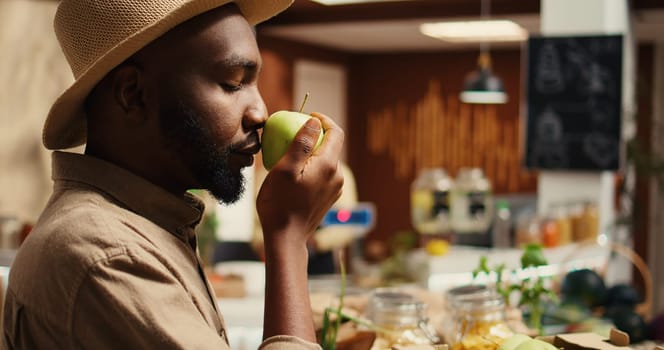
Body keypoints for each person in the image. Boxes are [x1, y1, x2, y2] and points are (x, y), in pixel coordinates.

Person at [2, 0, 344, 349]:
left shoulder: (147, 228)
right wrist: (288, 237)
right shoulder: (105, 254)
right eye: (232, 83)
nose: (260, 113)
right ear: (132, 95)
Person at [251, 162, 359, 275]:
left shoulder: (338, 171)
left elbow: (347, 225)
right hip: (276, 257)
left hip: (319, 260)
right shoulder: (266, 173)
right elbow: (255, 225)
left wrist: (316, 241)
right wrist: (266, 243)